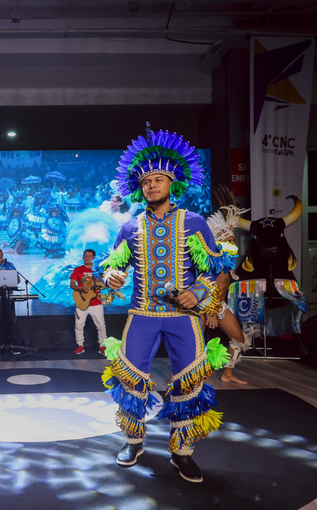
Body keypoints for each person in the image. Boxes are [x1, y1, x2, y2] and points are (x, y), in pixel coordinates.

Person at [101, 126, 231, 483]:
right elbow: (113, 268)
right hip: (141, 315)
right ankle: (133, 441)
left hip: (183, 318)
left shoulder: (194, 222)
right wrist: (111, 277)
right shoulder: (129, 227)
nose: (152, 185)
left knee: (188, 383)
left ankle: (182, 452)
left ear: (172, 182)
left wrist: (200, 294)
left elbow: (217, 272)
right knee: (130, 379)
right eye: (146, 181)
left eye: (158, 179)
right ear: (139, 187)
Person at [204, 201, 252, 385]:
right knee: (195, 344)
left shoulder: (228, 260)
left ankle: (227, 374)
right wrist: (211, 312)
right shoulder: (212, 262)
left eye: (233, 240)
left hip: (219, 306)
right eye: (229, 241)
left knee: (239, 338)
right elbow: (209, 287)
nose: (233, 243)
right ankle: (191, 378)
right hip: (205, 306)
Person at [70, 249, 107, 355]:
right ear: (83, 257)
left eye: (90, 256)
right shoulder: (77, 270)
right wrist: (81, 288)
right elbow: (72, 284)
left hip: (96, 303)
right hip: (81, 302)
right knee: (79, 325)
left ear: (94, 258)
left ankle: (102, 346)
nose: (87, 258)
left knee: (101, 326)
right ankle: (80, 346)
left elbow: (104, 284)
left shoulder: (99, 270)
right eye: (85, 256)